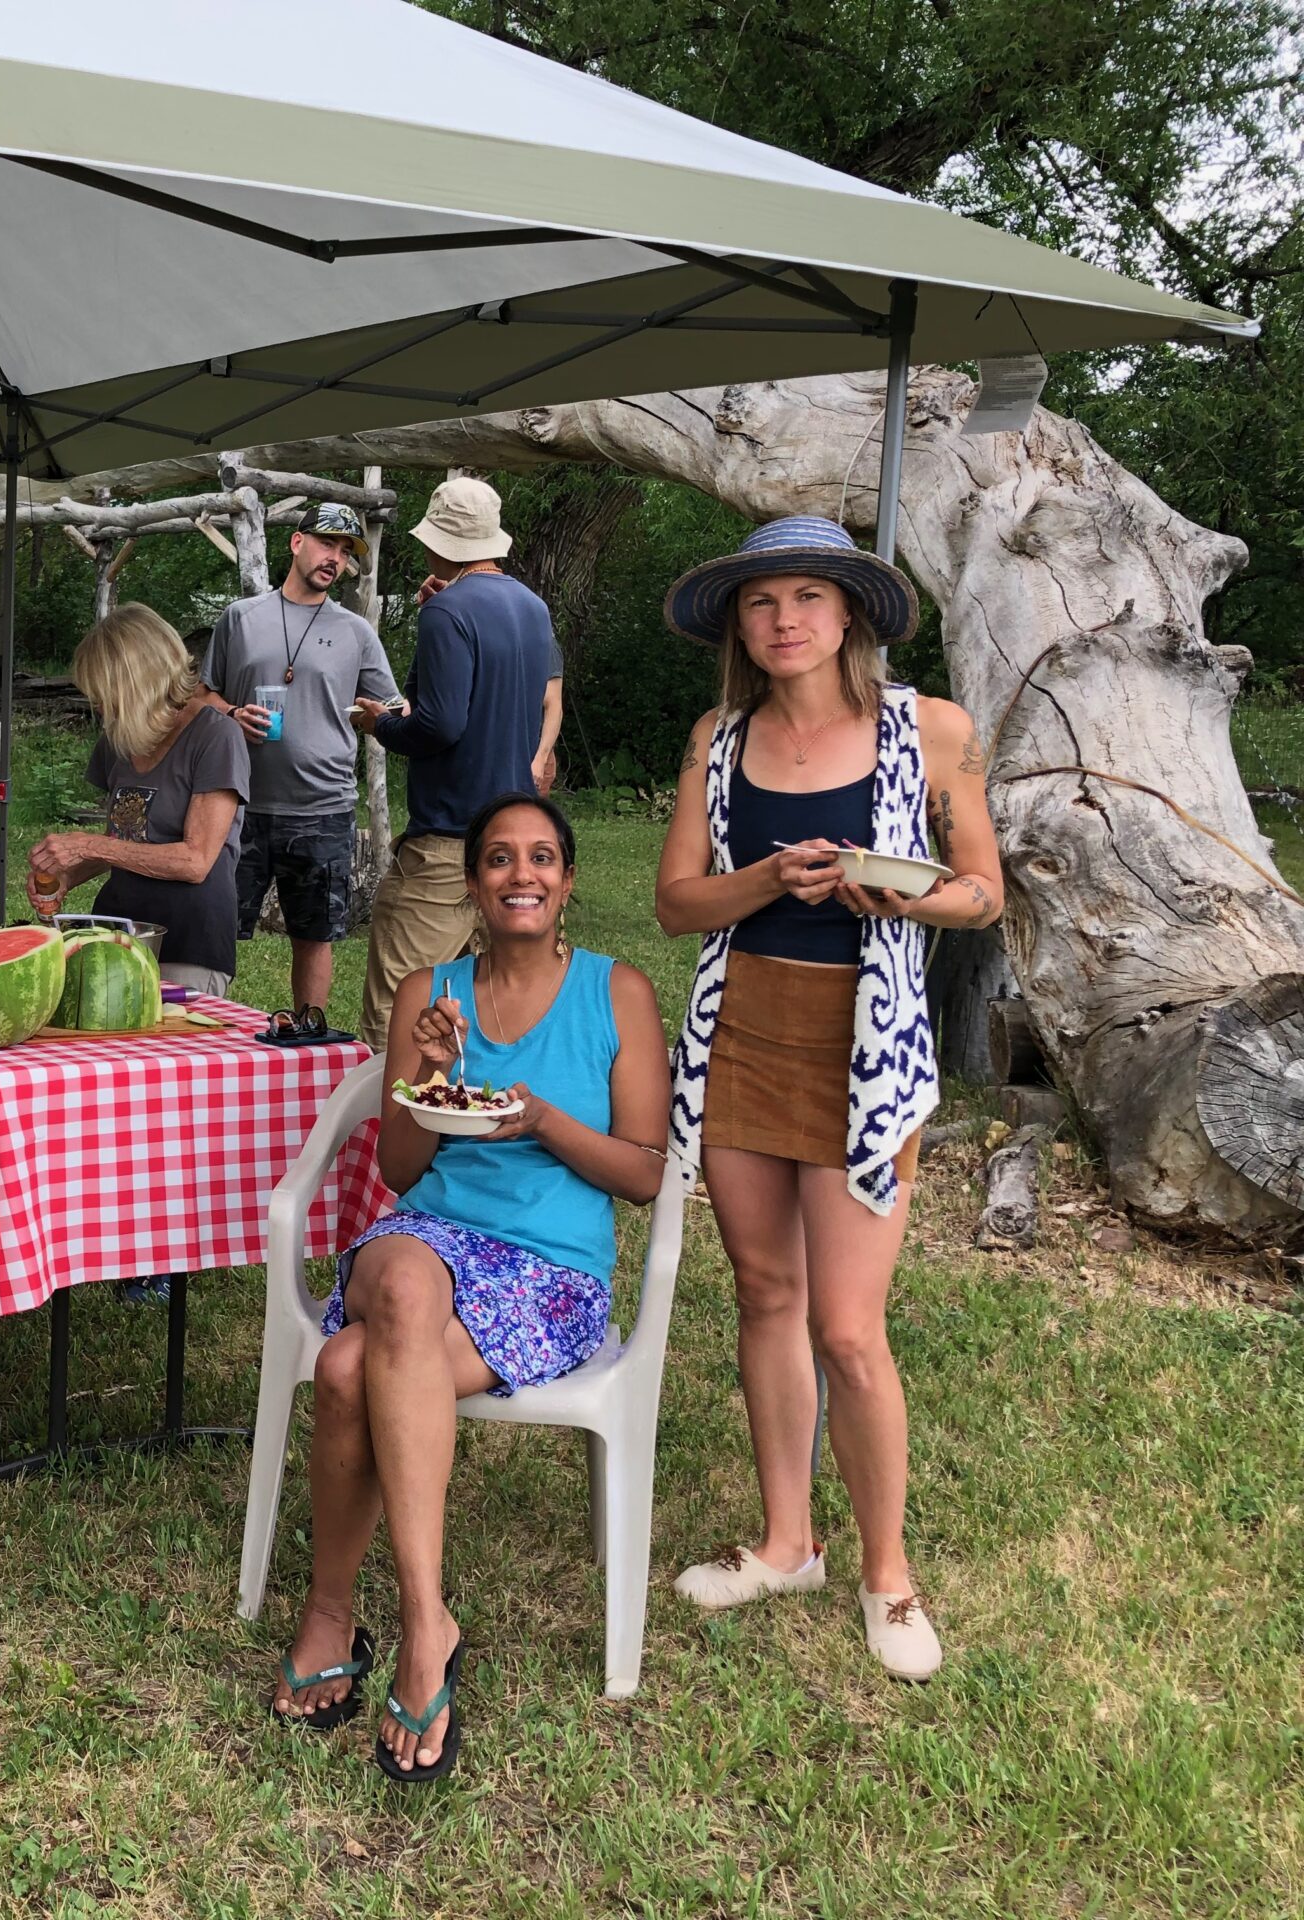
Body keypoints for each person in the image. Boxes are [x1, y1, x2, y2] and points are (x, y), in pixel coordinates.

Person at [653, 515, 1004, 1681]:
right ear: (739, 629)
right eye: (762, 603)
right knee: (763, 1291)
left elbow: (983, 893)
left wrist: (900, 898)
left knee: (848, 1330)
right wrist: (759, 881)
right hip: (745, 1026)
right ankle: (787, 1542)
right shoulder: (720, 734)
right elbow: (675, 905)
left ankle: (888, 1574)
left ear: (849, 611)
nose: (785, 619)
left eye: (807, 596)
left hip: (868, 1041)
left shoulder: (927, 728)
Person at [270, 793, 668, 1782]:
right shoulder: (428, 993)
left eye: (540, 858)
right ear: (476, 884)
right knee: (401, 1280)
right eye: (498, 858)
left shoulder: (617, 995)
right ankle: (421, 1618)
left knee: (349, 1365)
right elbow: (403, 1168)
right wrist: (432, 1073)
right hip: (428, 1234)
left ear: (567, 880)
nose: (520, 874)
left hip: (553, 1272)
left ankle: (341, 1610)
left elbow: (645, 1172)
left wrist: (541, 1122)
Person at [352, 475, 563, 1046]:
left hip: (447, 841)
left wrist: (380, 724)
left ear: (440, 542)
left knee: (397, 1009)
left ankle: (381, 1126)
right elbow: (522, 696)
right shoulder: (532, 607)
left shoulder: (448, 613)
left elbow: (439, 724)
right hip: (509, 832)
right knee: (486, 1006)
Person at [197, 502, 398, 1018]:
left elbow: (394, 709)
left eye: (345, 552)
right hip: (238, 804)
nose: (335, 558)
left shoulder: (356, 632)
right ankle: (202, 1030)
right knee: (215, 926)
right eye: (327, 544)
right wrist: (232, 714)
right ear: (296, 542)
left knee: (314, 934)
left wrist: (372, 717)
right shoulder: (241, 619)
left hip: (322, 809)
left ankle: (307, 1033)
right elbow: (201, 696)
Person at [29, 602, 249, 998]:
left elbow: (195, 862)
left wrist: (85, 845)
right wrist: (68, 875)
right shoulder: (120, 737)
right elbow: (126, 839)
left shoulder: (216, 737)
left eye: (104, 693)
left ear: (137, 682)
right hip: (115, 931)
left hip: (189, 942)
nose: (99, 706)